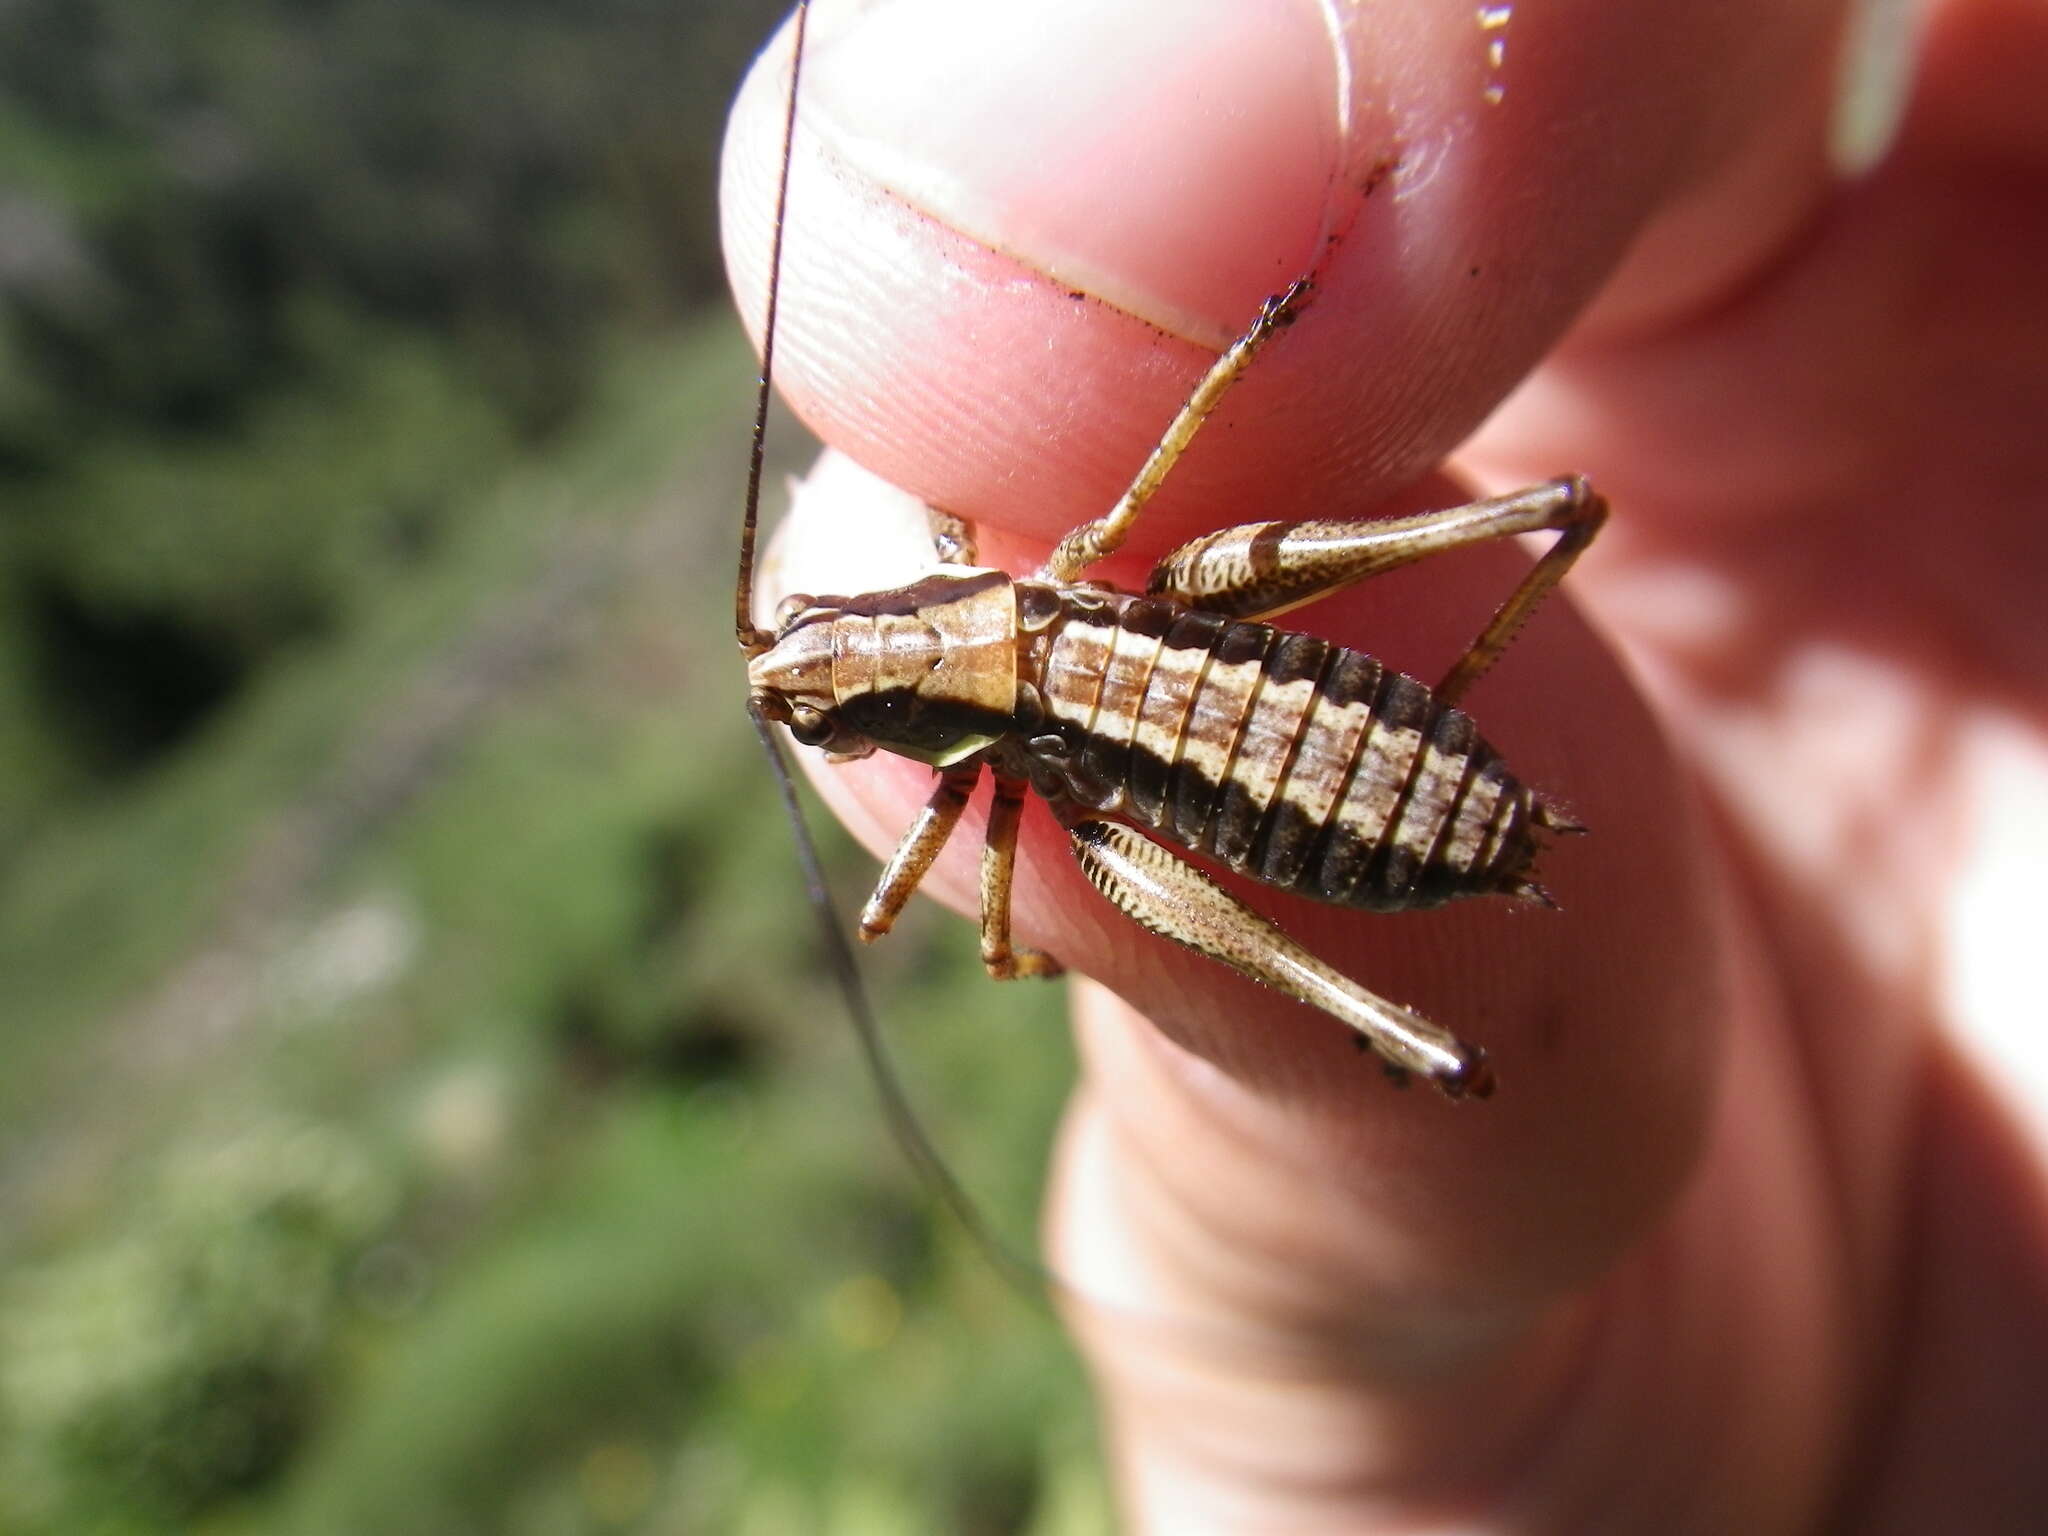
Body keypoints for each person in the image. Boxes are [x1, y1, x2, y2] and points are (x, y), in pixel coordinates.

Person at [721, 0, 2048, 1527]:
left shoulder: (985, 770)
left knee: (1513, 511)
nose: (827, 662)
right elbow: (1146, 479)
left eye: (831, 652)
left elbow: (919, 906)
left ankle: (1430, 946)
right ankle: (1400, 1012)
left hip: (1315, 746)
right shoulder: (996, 626)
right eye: (831, 693)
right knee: (1287, 937)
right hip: (1299, 760)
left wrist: (998, 931)